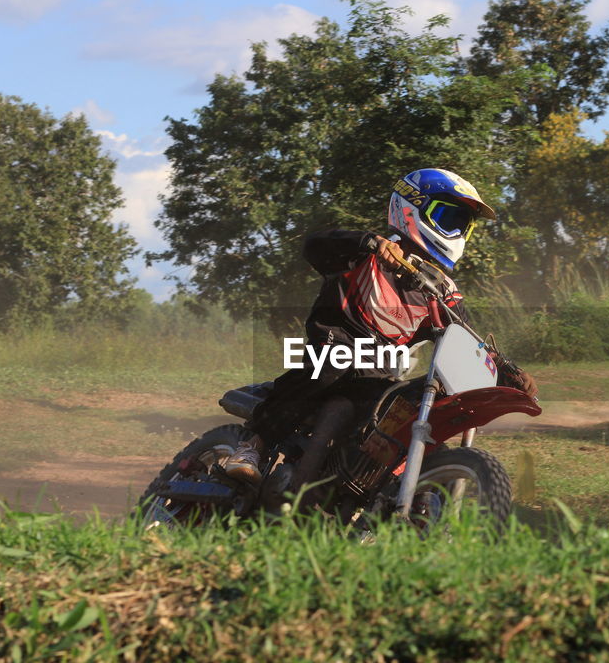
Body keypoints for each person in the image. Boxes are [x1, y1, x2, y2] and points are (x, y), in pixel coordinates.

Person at [221, 167, 537, 483]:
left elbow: (467, 340)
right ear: (413, 207)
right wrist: (370, 242)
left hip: (375, 375)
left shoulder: (441, 290)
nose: (454, 231)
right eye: (447, 218)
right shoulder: (363, 253)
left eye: (461, 225)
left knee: (411, 403)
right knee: (334, 362)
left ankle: (365, 486)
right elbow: (314, 246)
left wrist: (506, 370)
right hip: (327, 350)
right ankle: (253, 445)